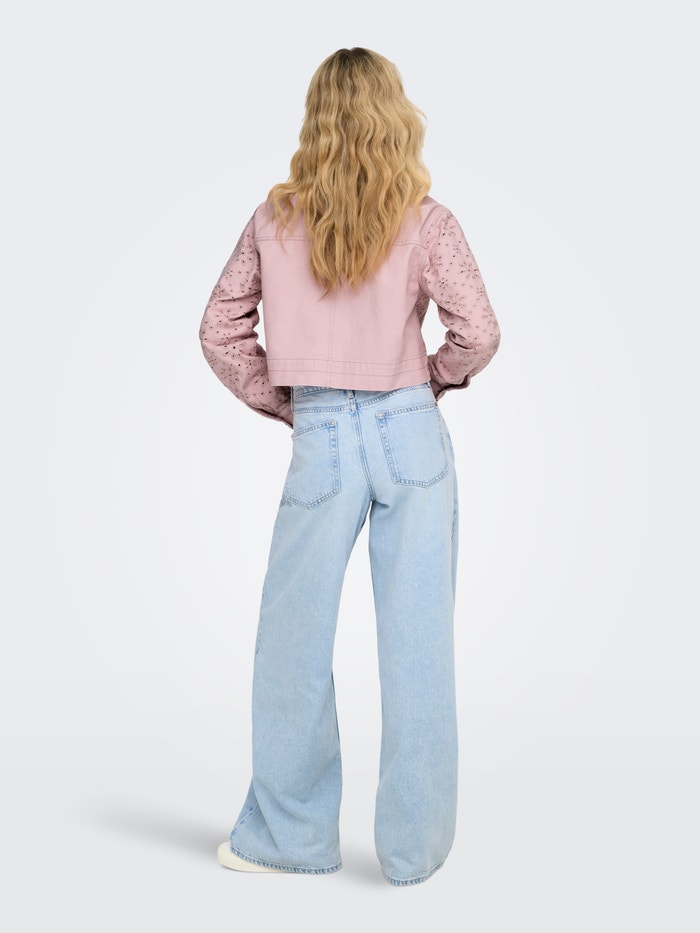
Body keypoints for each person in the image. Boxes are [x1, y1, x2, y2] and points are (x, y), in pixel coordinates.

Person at [198, 47, 501, 886]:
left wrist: (283, 398)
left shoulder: (273, 219)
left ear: (315, 120)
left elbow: (218, 329)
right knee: (418, 646)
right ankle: (412, 854)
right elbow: (478, 329)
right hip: (410, 432)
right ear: (396, 117)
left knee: (290, 642)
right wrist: (433, 380)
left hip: (323, 434)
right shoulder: (428, 221)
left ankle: (290, 838)